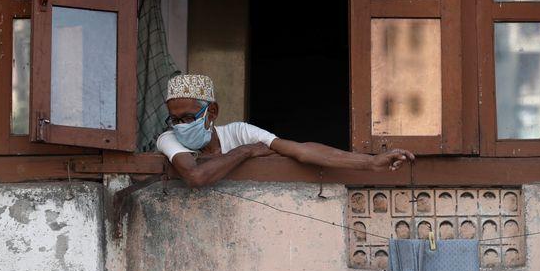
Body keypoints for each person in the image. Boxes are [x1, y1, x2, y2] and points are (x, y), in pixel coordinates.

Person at [156, 74, 415, 188]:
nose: (181, 125)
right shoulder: (168, 139)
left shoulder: (238, 131)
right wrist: (245, 152)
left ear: (211, 113)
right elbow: (196, 177)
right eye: (175, 119)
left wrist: (371, 163)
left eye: (188, 117)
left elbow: (301, 151)